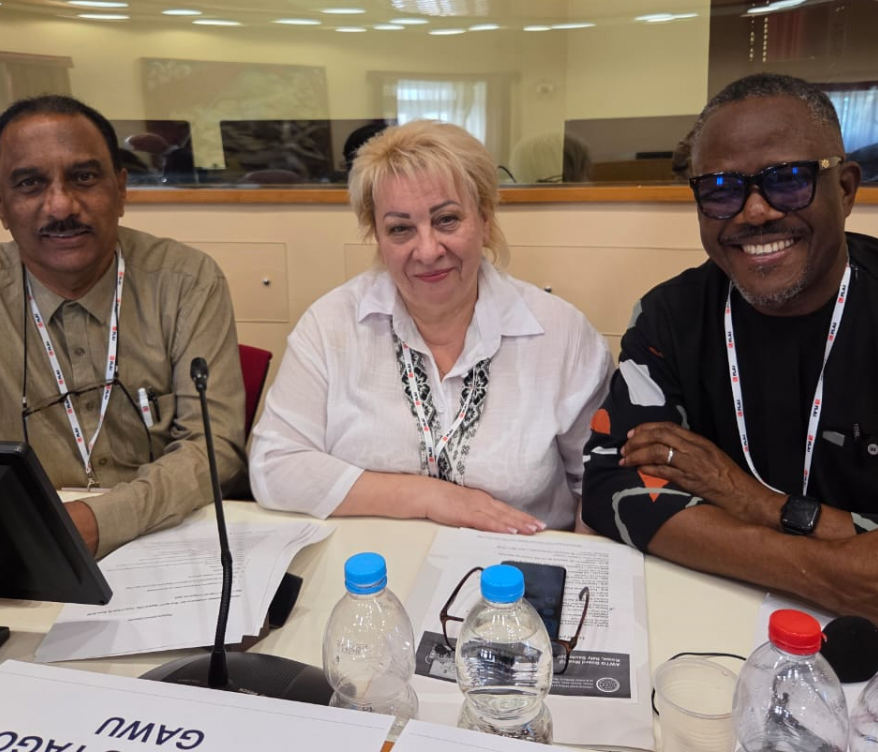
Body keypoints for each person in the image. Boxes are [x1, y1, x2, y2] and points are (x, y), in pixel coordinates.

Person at [582, 73, 878, 644]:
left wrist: (750, 500)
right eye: (721, 189)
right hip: (704, 627)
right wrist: (830, 574)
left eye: (788, 181)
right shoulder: (670, 317)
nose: (754, 212)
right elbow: (614, 487)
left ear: (847, 189)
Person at [0, 95, 247, 558]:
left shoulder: (186, 282)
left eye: (84, 177)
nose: (61, 206)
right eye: (30, 183)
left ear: (121, 190)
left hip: (166, 539)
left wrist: (100, 520)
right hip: (17, 547)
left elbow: (214, 448)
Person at [250, 120, 612, 533]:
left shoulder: (563, 334)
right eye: (400, 229)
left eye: (447, 220)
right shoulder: (330, 325)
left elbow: (598, 486)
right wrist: (430, 497)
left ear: (485, 220)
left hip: (516, 567)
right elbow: (272, 465)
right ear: (377, 236)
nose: (426, 251)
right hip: (372, 563)